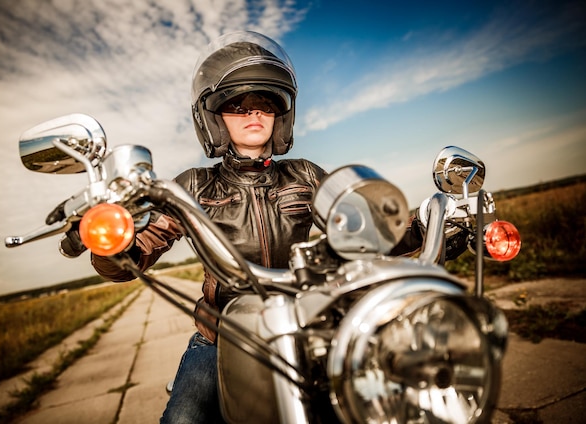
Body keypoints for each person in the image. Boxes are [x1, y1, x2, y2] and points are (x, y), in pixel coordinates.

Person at [84, 31, 423, 423]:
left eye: (265, 103)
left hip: (303, 331)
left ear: (281, 114)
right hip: (220, 337)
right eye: (237, 104)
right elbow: (139, 249)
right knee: (183, 420)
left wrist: (429, 224)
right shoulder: (194, 185)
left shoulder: (306, 175)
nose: (254, 113)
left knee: (367, 409)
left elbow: (367, 229)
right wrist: (112, 243)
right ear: (214, 117)